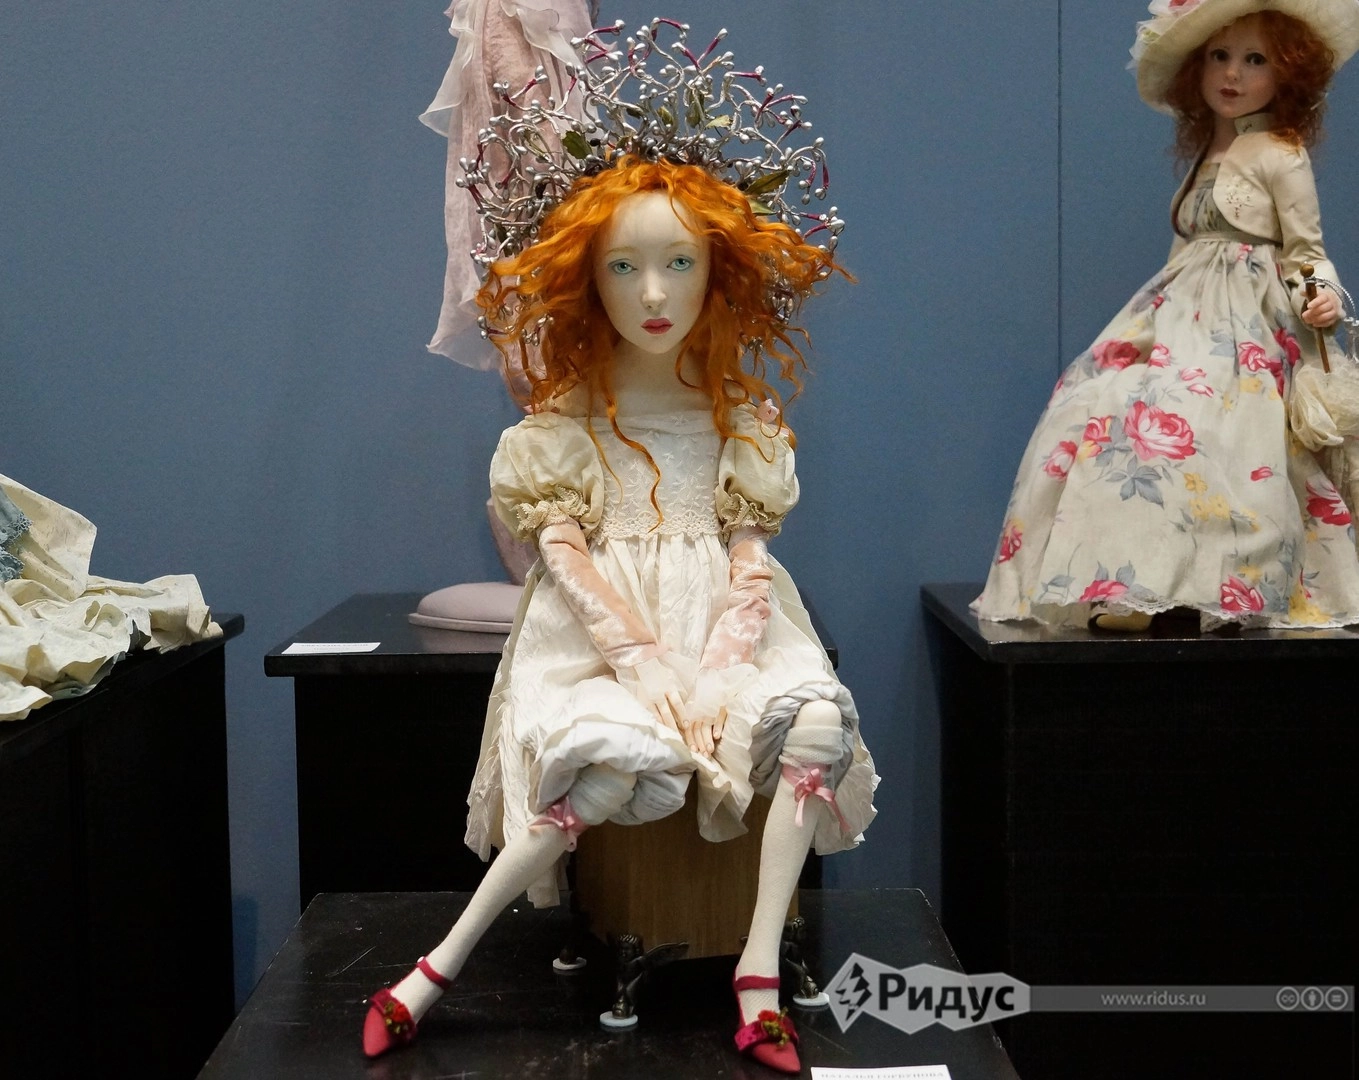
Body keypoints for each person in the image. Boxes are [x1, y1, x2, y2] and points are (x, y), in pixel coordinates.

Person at [363, 21, 876, 1075]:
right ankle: (440, 963)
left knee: (815, 725)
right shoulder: (565, 419)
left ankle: (758, 973)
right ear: (584, 277)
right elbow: (562, 554)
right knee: (602, 763)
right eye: (624, 266)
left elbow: (748, 548)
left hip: (727, 619)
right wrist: (644, 663)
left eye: (679, 263)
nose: (652, 294)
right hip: (602, 632)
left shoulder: (740, 419)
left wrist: (721, 663)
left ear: (718, 270)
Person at [975, 0, 1359, 632]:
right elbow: (1187, 248)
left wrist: (1321, 296)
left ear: (1288, 72)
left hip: (1246, 322)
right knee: (1098, 403)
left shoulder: (1279, 153)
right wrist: (1148, 327)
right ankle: (1132, 585)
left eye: (1255, 60)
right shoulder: (1211, 149)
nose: (1232, 74)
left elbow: (1306, 251)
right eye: (1219, 57)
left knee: (1212, 430)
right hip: (1181, 309)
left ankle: (1224, 592)